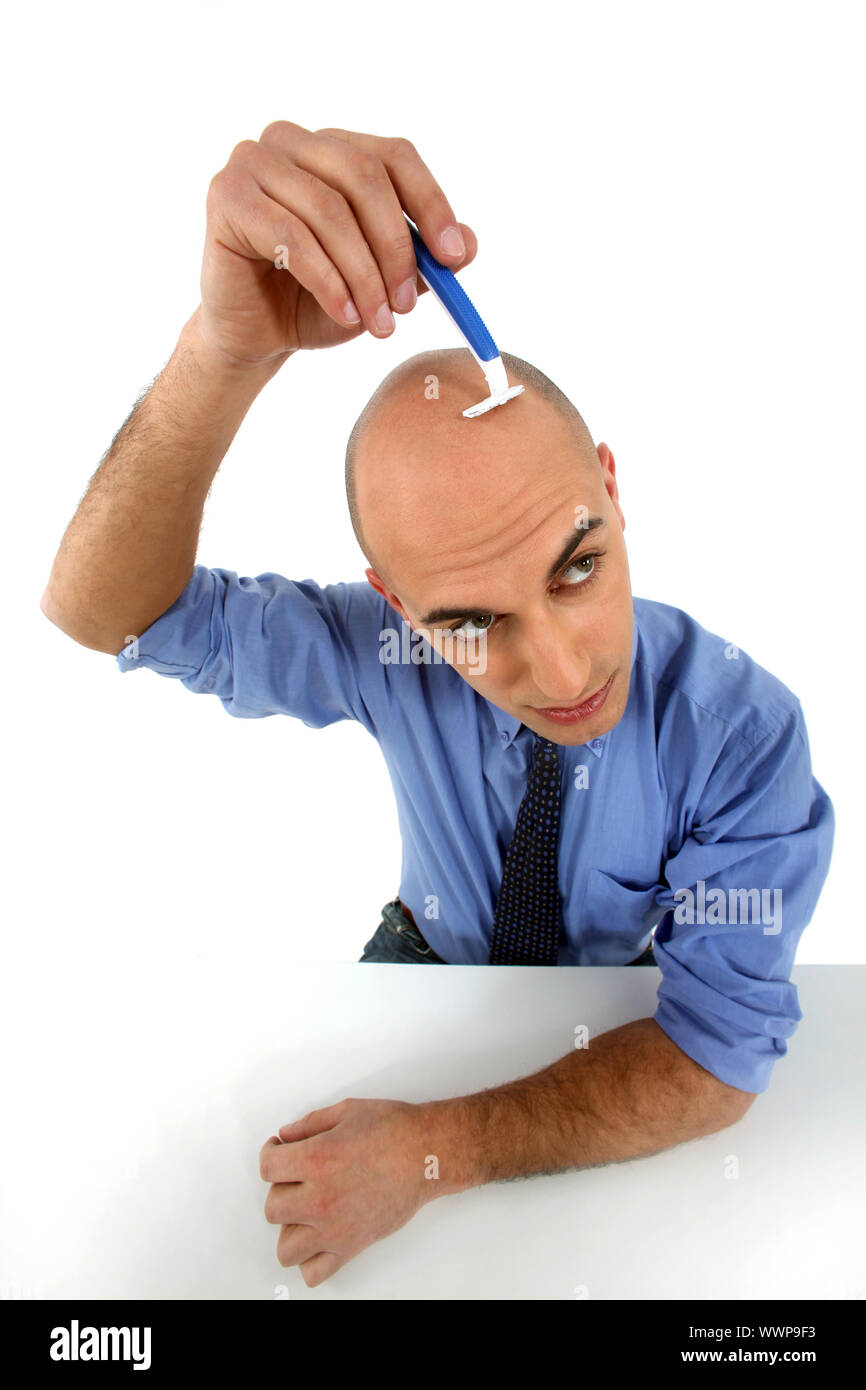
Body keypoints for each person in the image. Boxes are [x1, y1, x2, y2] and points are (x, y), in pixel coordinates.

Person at [41, 120, 834, 1288]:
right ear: (397, 609)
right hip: (417, 963)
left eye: (577, 562)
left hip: (605, 1008)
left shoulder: (739, 736)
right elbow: (102, 612)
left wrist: (427, 1152)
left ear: (608, 489)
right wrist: (222, 349)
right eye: (468, 622)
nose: (566, 679)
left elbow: (714, 1060)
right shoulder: (385, 656)